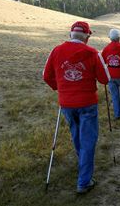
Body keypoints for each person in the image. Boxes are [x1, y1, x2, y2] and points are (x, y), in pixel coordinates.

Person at [43, 21, 110, 194]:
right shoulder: (92, 52)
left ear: (70, 34)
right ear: (87, 37)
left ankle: (84, 164)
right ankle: (84, 182)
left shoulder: (56, 50)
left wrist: (60, 88)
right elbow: (105, 79)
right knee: (88, 140)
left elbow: (46, 76)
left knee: (77, 135)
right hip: (87, 102)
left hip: (66, 103)